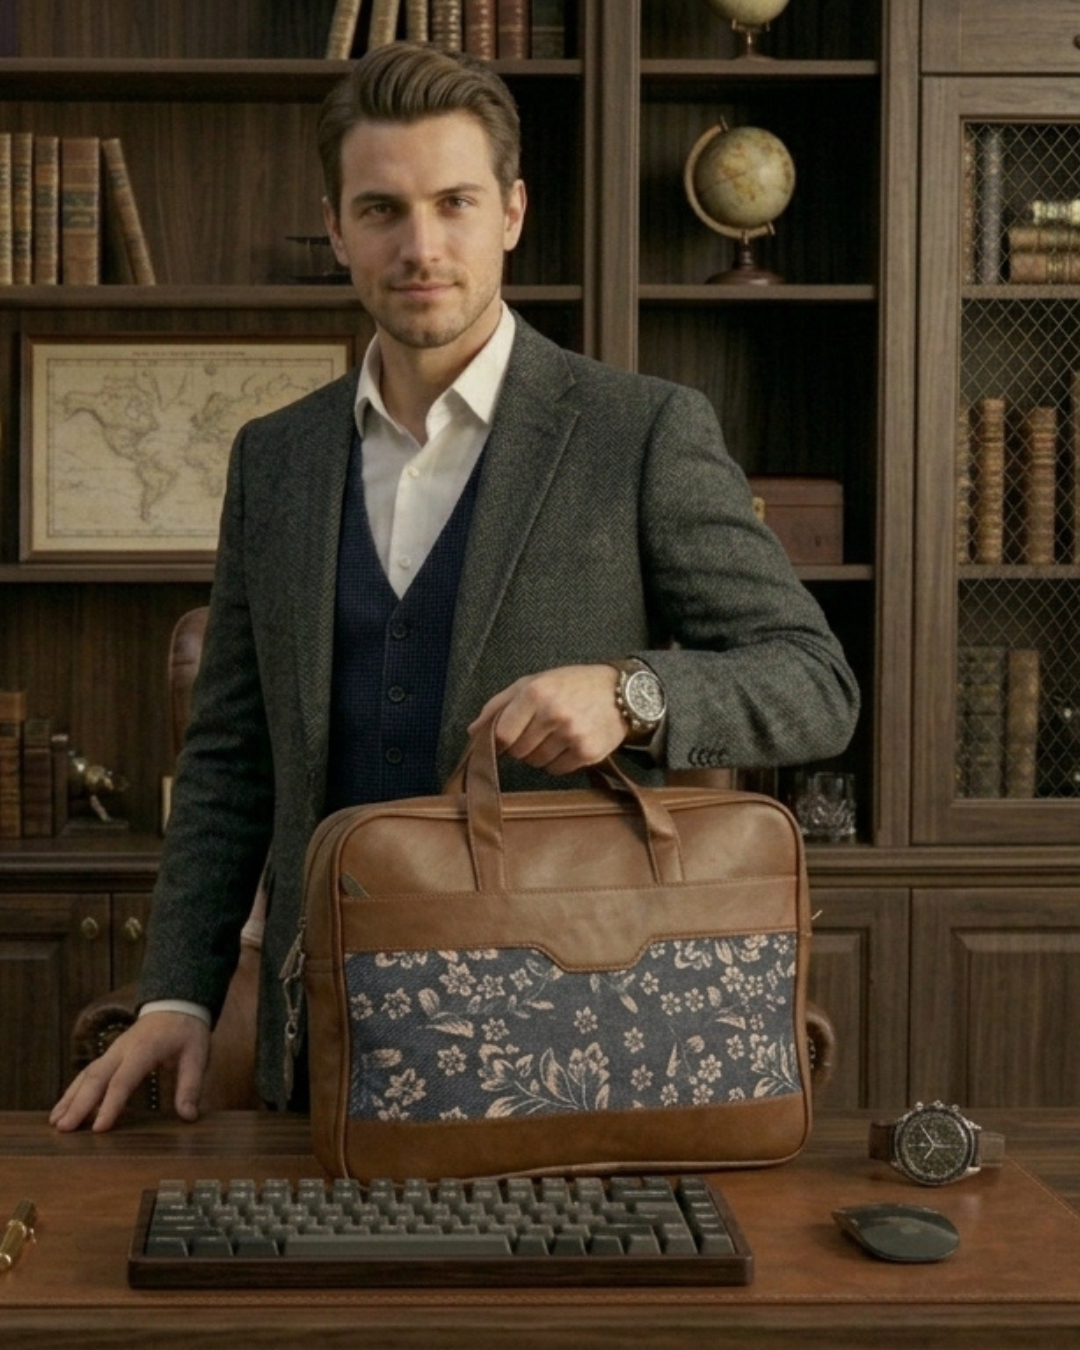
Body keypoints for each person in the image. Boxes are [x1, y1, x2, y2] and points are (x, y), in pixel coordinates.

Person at [51, 41, 859, 1133]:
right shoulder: (274, 460)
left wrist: (631, 695)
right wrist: (177, 995)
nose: (420, 246)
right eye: (381, 210)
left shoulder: (640, 432)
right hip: (322, 1050)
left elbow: (815, 684)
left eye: (455, 203)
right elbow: (231, 760)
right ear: (337, 228)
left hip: (567, 1040)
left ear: (512, 213)